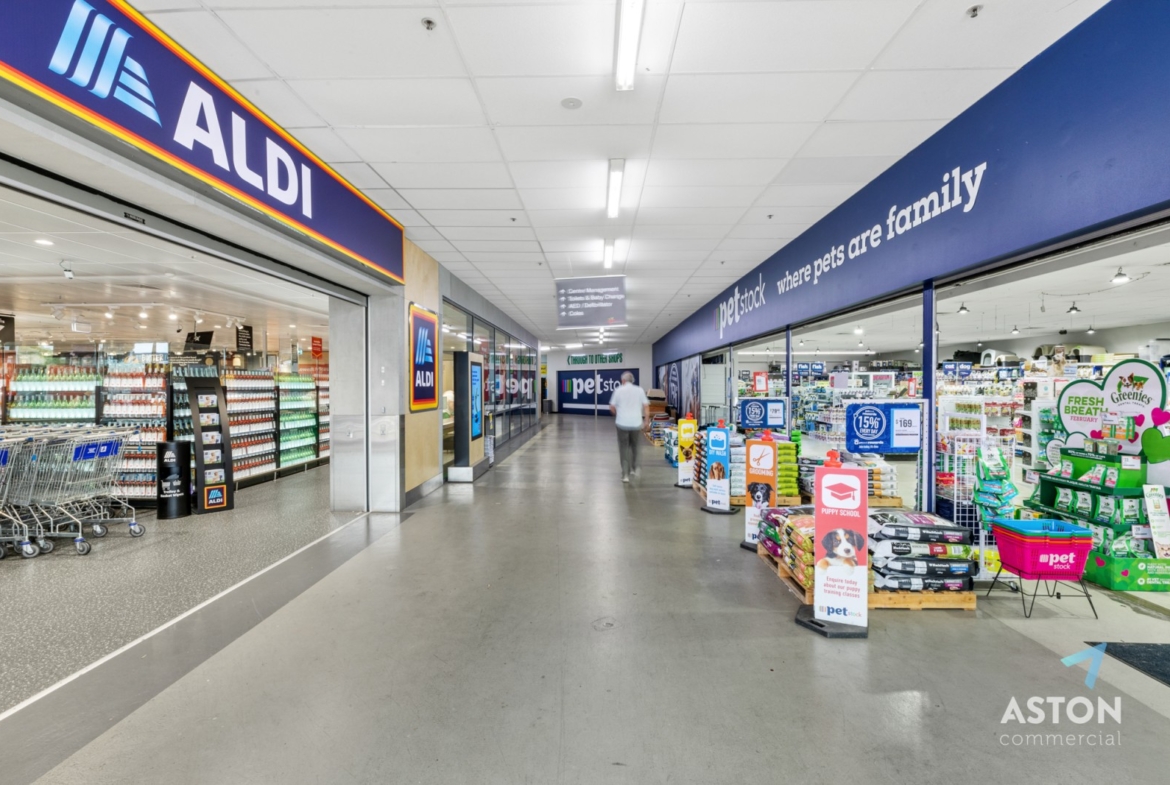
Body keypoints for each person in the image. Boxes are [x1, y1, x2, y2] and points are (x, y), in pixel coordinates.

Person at [608, 371, 649, 483]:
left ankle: (625, 475)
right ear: (632, 381)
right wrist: (646, 421)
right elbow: (646, 406)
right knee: (635, 446)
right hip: (636, 424)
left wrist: (618, 413)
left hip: (622, 424)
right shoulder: (640, 390)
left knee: (624, 448)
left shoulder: (618, 390)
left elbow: (612, 407)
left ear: (623, 381)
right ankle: (636, 468)